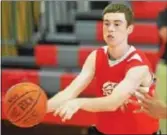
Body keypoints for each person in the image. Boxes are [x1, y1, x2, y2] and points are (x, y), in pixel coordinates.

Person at [48, 3, 160, 134]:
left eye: (117, 24)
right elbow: (70, 92)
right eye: (107, 23)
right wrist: (38, 108)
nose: (110, 29)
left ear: (129, 29)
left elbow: (113, 102)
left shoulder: (138, 65)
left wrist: (78, 103)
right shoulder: (96, 56)